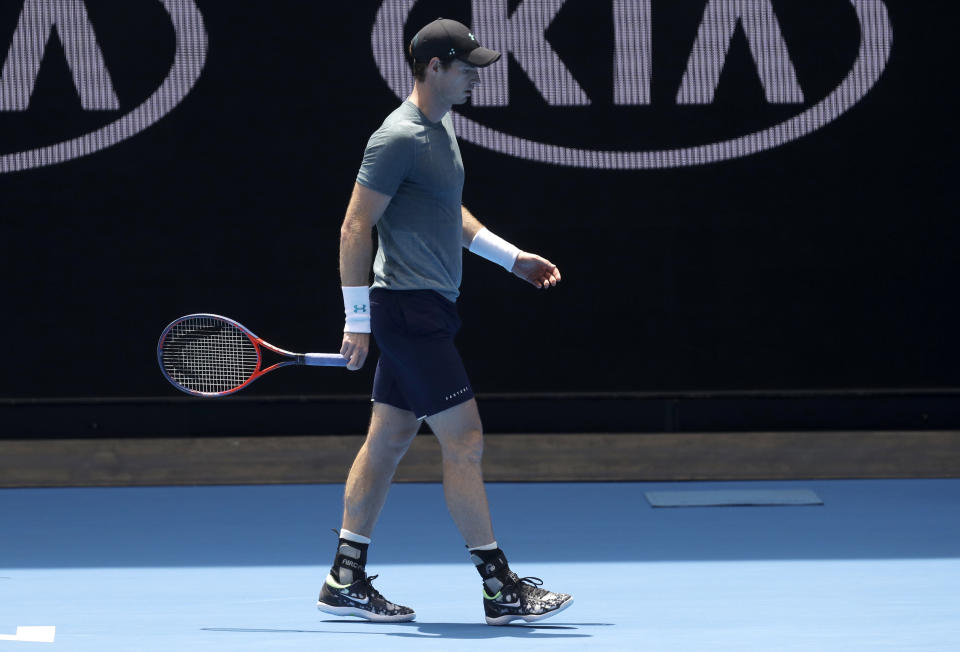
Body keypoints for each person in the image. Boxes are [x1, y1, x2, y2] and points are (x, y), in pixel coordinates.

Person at [316, 18, 572, 626]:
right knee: (465, 441)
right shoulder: (397, 137)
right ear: (435, 67)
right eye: (466, 68)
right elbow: (355, 226)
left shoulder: (440, 130)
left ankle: (344, 576)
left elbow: (446, 212)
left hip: (427, 307)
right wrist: (358, 322)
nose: (475, 78)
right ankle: (500, 587)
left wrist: (512, 259)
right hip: (406, 311)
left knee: (389, 440)